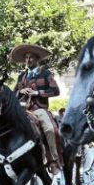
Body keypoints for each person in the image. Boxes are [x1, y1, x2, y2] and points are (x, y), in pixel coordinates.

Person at [9, 43, 61, 175]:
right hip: (23, 110)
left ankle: (53, 160)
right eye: (26, 57)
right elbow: (13, 93)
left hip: (39, 109)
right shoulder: (22, 76)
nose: (28, 60)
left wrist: (37, 93)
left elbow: (56, 91)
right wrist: (21, 91)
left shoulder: (45, 73)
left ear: (37, 59)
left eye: (31, 57)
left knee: (50, 129)